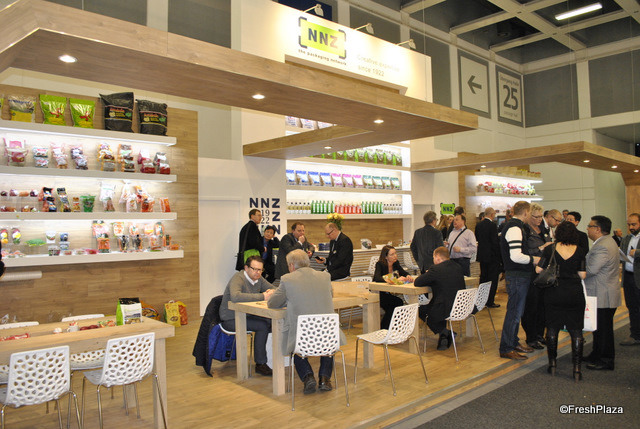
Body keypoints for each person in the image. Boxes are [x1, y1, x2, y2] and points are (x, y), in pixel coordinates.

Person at [268, 249, 344, 394]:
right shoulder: (325, 276)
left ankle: (308, 376)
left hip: (303, 337)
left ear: (291, 265)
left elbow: (273, 303)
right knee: (328, 342)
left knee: (295, 344)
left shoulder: (287, 279)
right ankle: (325, 378)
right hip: (328, 335)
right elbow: (330, 295)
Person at [536, 221, 586, 381]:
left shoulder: (550, 249)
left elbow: (538, 269)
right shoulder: (580, 250)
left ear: (558, 233)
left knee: (552, 328)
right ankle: (577, 369)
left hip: (554, 292)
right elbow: (583, 274)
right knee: (576, 330)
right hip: (574, 293)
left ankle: (552, 365)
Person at [219, 256, 275, 376]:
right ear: (246, 268)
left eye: (260, 270)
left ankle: (271, 358)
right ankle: (260, 363)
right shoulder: (238, 278)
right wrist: (263, 296)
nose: (257, 272)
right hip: (231, 318)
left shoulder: (259, 279)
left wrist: (272, 292)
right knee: (262, 326)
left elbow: (273, 288)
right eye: (254, 269)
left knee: (270, 321)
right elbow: (236, 296)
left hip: (247, 315)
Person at [499, 201, 541, 360]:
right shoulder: (515, 228)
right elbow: (516, 256)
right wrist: (534, 259)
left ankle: (513, 342)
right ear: (525, 213)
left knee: (517, 312)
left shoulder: (515, 227)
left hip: (518, 276)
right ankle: (506, 347)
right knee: (514, 313)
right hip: (517, 276)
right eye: (530, 213)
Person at [584, 215, 621, 371]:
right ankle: (596, 354)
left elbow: (591, 269)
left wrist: (575, 270)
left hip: (603, 294)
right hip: (603, 292)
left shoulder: (602, 246)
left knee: (604, 330)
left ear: (598, 229)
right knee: (598, 328)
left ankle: (606, 359)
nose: (587, 229)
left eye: (589, 226)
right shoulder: (606, 242)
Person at [414, 247, 466, 350]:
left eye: (433, 257)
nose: (433, 260)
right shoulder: (458, 267)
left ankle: (444, 332)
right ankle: (444, 336)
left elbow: (417, 282)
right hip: (461, 306)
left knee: (419, 310)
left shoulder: (436, 269)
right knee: (435, 305)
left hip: (445, 308)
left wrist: (428, 274)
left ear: (437, 257)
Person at [522, 203, 552, 350]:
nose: (539, 219)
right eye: (536, 217)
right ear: (529, 216)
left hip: (544, 272)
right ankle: (531, 337)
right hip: (531, 273)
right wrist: (541, 248)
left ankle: (540, 334)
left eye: (541, 216)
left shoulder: (544, 229)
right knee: (531, 306)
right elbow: (524, 252)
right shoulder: (525, 231)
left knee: (543, 306)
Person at [373, 245, 414, 329]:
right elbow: (377, 278)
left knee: (397, 303)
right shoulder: (380, 264)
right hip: (378, 293)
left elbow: (403, 272)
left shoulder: (396, 263)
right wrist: (394, 279)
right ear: (386, 257)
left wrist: (408, 275)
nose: (395, 256)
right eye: (392, 254)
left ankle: (387, 328)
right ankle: (385, 328)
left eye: (395, 253)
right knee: (394, 305)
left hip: (387, 292)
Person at [619, 213, 640, 346]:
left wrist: (636, 252)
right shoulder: (626, 238)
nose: (631, 227)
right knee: (632, 307)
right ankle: (635, 335)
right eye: (629, 224)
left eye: (634, 224)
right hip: (628, 277)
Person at [474, 207, 501, 308]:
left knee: (483, 278)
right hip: (492, 257)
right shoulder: (492, 225)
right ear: (492, 214)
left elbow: (477, 238)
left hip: (482, 256)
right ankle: (490, 301)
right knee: (492, 279)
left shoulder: (479, 225)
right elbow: (494, 242)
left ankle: (481, 300)